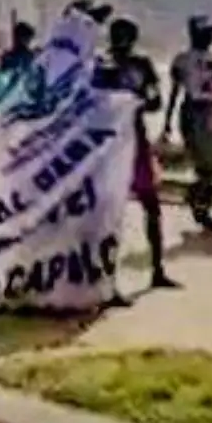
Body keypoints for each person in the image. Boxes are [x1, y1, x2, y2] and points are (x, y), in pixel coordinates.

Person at [92, 18, 178, 296]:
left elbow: (155, 102)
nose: (121, 42)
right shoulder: (101, 67)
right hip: (111, 144)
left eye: (126, 37)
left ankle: (158, 271)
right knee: (109, 215)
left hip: (136, 139)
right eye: (118, 37)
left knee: (151, 206)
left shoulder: (142, 65)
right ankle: (109, 282)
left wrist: (138, 99)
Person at [165, 16, 212, 234]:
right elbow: (175, 92)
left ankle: (198, 200)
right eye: (208, 33)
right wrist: (167, 122)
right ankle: (201, 208)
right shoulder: (183, 60)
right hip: (195, 111)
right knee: (207, 164)